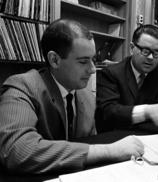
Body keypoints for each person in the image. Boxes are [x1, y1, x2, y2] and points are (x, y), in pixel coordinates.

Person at [0, 19, 144, 173]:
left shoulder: (85, 92)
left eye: (93, 60)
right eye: (83, 62)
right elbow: (17, 150)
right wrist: (109, 151)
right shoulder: (21, 87)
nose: (93, 70)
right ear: (54, 60)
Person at [95, 24, 158, 132]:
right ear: (132, 48)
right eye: (146, 51)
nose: (151, 58)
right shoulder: (111, 73)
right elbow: (109, 112)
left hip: (149, 136)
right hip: (116, 137)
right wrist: (147, 111)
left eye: (156, 52)